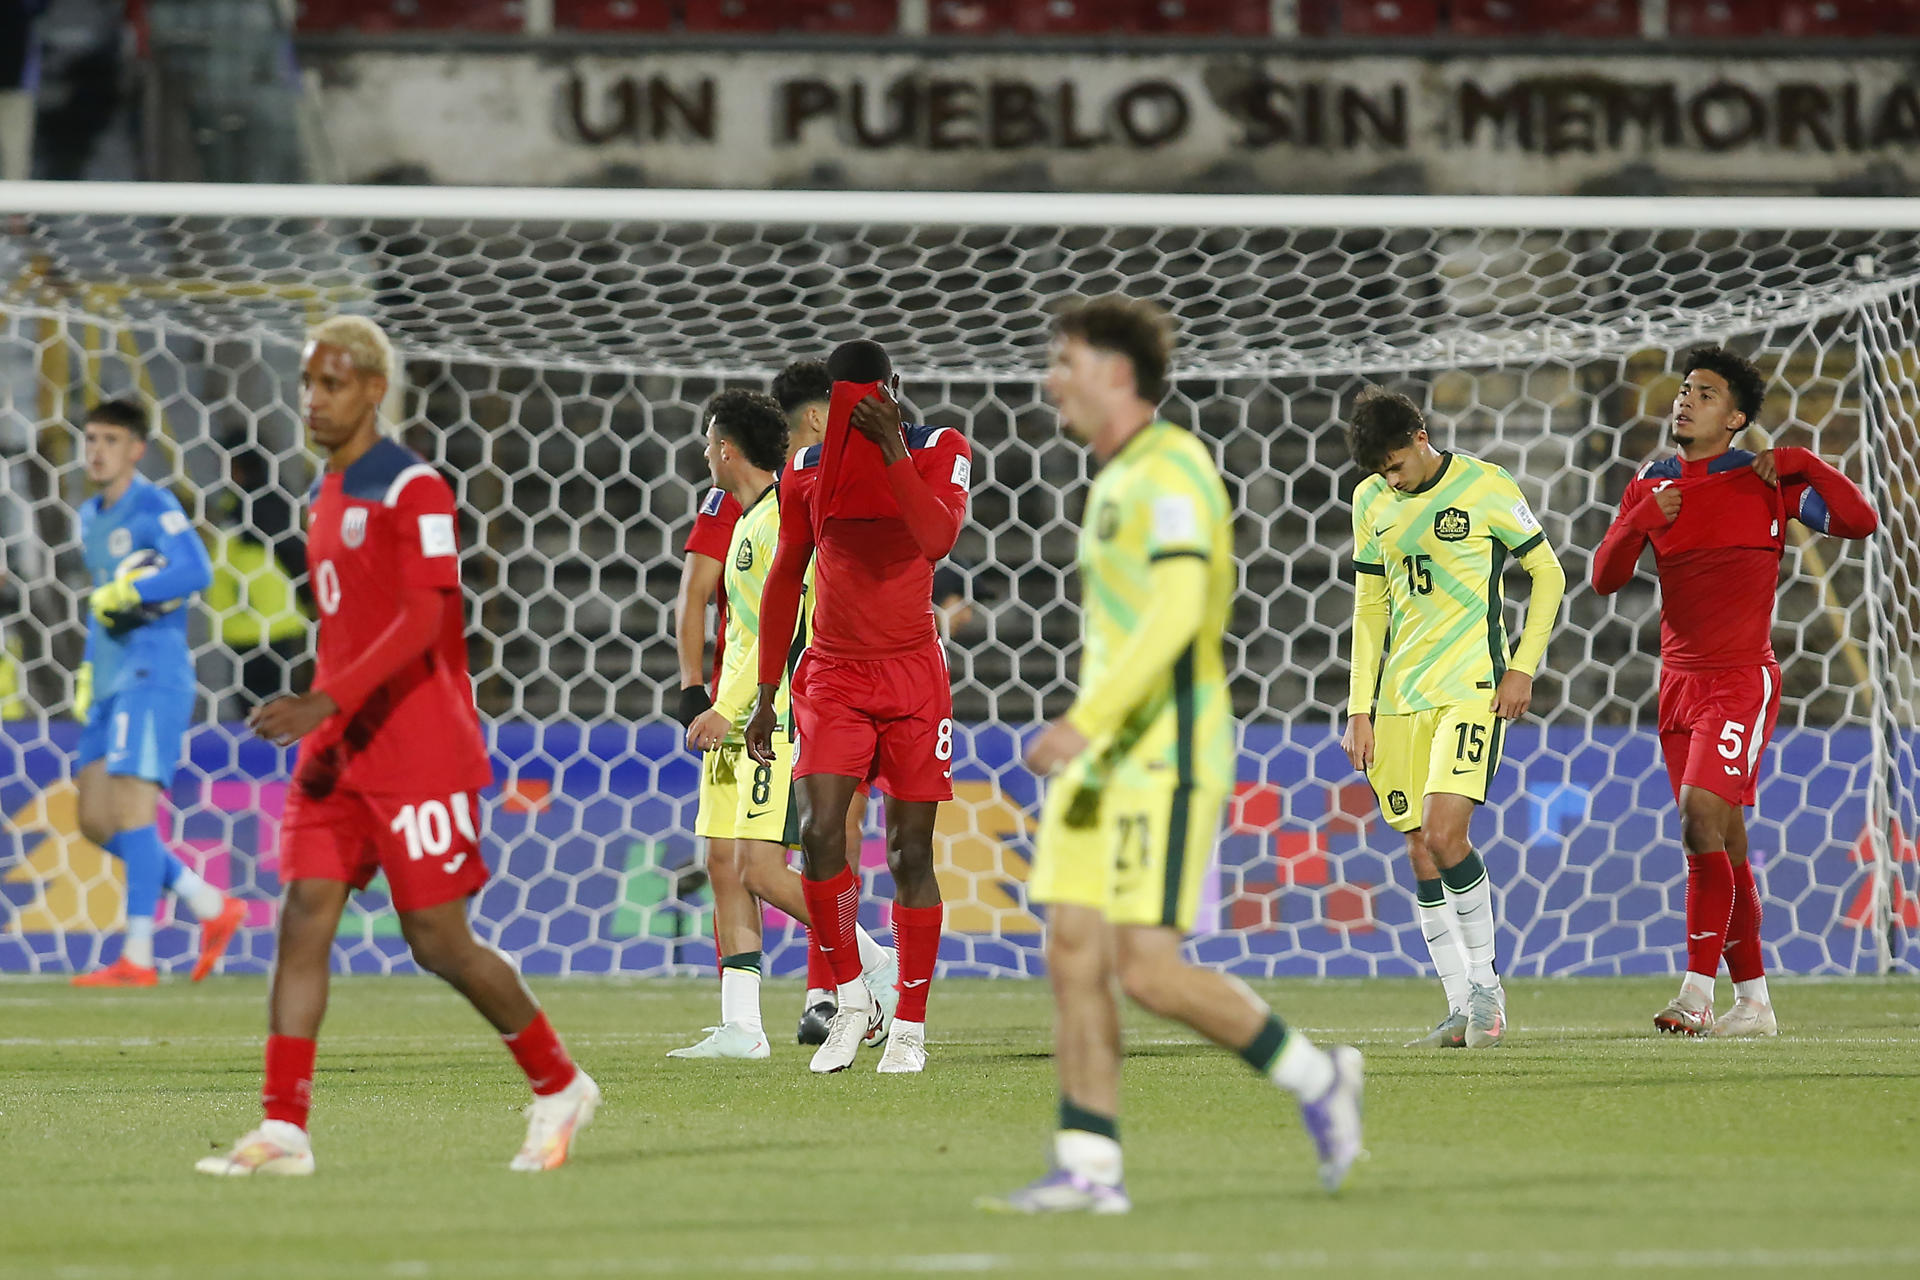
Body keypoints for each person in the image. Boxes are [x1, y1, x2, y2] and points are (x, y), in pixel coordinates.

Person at [983, 295, 1361, 1215]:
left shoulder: (1172, 469)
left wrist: (1088, 720)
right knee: (1070, 950)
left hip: (1162, 751)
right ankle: (1089, 1168)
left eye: (1064, 360)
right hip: (1102, 756)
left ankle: (1318, 1077)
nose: (1050, 379)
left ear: (1115, 373)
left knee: (1146, 969)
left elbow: (1181, 609)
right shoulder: (1111, 479)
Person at [195, 316, 598, 1176]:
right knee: (302, 918)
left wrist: (321, 700)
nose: (312, 399)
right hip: (338, 752)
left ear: (374, 390)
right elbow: (352, 624)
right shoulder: (328, 491)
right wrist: (324, 708)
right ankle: (284, 1130)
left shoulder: (413, 489)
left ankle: (559, 1085)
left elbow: (426, 618)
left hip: (417, 748)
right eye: (307, 384)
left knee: (438, 942)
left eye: (331, 384)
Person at [1592, 346, 1877, 1037]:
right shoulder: (1652, 483)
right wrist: (1639, 520)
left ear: (1737, 417)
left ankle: (1695, 993)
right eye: (1685, 389)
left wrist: (1804, 460)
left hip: (1739, 683)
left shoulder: (1767, 482)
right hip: (1676, 685)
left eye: (1707, 393)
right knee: (1724, 841)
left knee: (1697, 821)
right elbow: (1605, 577)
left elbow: (1860, 520)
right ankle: (1754, 1003)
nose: (1684, 401)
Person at [746, 339, 967, 1075]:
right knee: (818, 836)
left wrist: (888, 449)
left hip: (911, 678)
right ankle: (850, 1000)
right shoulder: (806, 471)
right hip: (833, 676)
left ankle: (909, 1024)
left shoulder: (940, 449)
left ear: (892, 392)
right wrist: (766, 694)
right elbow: (784, 578)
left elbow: (936, 538)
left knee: (910, 851)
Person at [672, 388, 898, 1059]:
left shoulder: (778, 521)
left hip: (769, 723)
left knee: (764, 872)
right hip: (734, 717)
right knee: (724, 865)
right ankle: (742, 1027)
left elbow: (786, 632)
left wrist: (732, 707)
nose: (705, 453)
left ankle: (871, 960)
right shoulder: (742, 521)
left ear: (729, 449)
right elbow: (740, 633)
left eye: (710, 441)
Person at [1340, 387, 1566, 1049]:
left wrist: (1522, 665)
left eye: (1394, 464)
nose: (1391, 479)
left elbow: (1547, 574)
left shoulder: (1485, 486)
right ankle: (1457, 1007)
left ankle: (1487, 994)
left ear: (1419, 435)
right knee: (1418, 847)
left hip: (1471, 688)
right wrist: (1360, 708)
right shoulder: (1371, 504)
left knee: (1445, 833)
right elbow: (1369, 608)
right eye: (1379, 472)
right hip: (1399, 698)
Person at [69, 398, 244, 987]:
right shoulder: (89, 516)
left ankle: (137, 957)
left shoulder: (155, 505)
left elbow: (196, 572)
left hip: (153, 676)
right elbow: (100, 597)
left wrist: (133, 590)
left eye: (110, 440)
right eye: (90, 438)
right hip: (110, 682)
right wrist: (89, 670)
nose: (96, 450)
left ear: (137, 449)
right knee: (94, 818)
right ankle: (210, 905)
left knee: (134, 816)